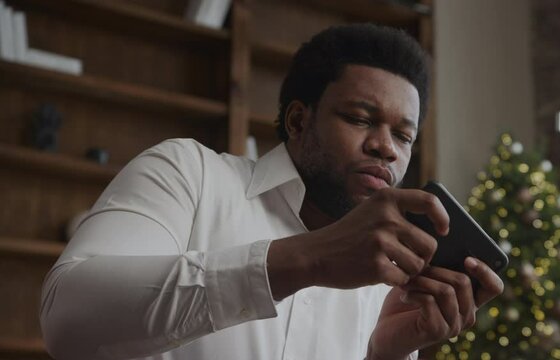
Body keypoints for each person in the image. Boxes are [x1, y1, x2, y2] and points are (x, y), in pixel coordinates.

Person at [40, 24, 503, 360]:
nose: (386, 147)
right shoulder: (189, 173)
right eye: (361, 119)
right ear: (298, 121)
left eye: (403, 136)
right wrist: (306, 259)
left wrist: (383, 355)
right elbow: (66, 317)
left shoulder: (385, 281)